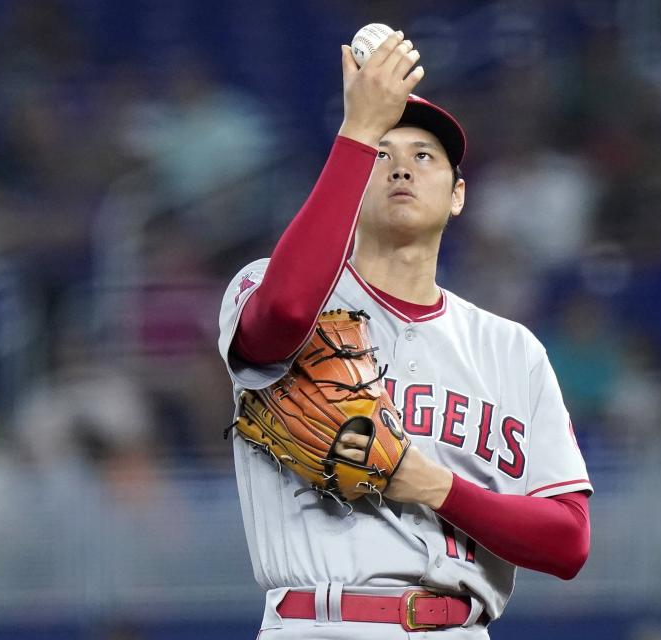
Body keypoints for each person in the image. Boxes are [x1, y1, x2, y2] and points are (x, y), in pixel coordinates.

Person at [217, 31, 592, 639]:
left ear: (458, 194)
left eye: (424, 156)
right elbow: (283, 314)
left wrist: (434, 486)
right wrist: (356, 131)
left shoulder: (511, 350)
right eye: (382, 153)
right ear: (353, 175)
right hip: (320, 624)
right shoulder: (271, 287)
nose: (400, 167)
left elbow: (569, 540)